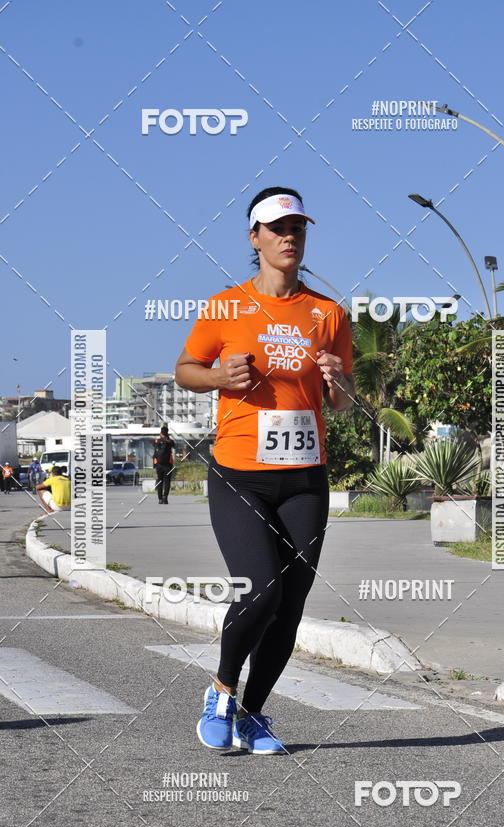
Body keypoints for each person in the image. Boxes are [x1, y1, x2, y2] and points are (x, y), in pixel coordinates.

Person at [175, 186, 355, 754]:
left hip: (305, 477)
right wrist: (217, 379)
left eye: (297, 227)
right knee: (261, 589)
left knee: (292, 604)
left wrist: (339, 382)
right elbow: (185, 369)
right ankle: (222, 691)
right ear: (254, 238)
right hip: (239, 473)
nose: (289, 237)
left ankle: (253, 716)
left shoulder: (328, 313)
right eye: (277, 228)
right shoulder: (224, 306)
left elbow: (345, 402)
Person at [153, 425, 175, 504]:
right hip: (168, 465)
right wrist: (167, 438)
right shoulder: (170, 442)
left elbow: (155, 452)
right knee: (167, 481)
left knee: (160, 481)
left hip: (159, 465)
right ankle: (165, 498)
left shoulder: (157, 441)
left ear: (161, 433)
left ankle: (160, 499)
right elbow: (174, 445)